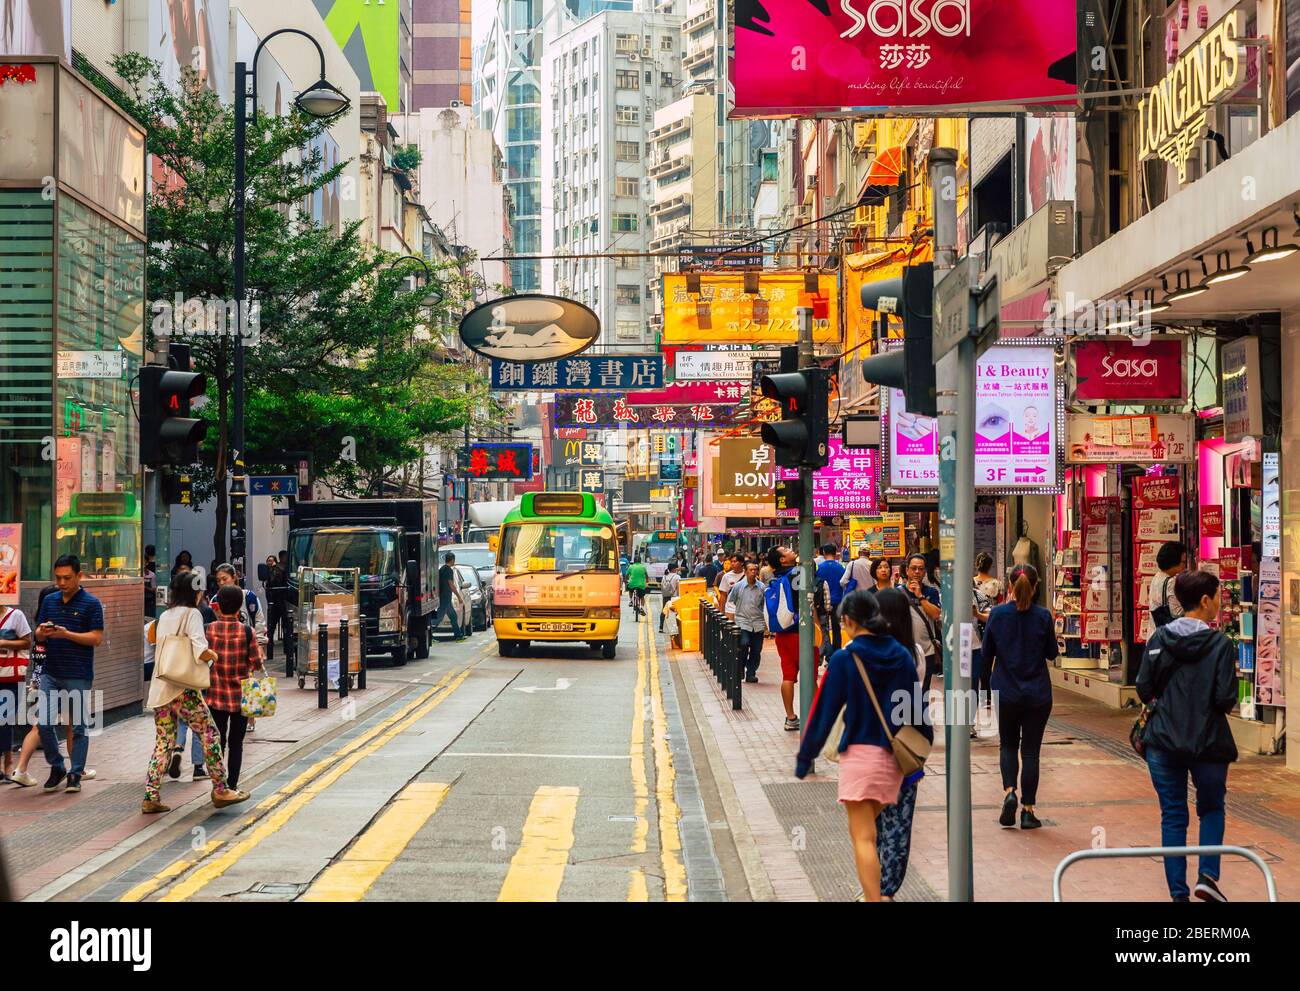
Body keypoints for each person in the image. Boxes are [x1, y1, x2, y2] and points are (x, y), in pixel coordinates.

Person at [796, 590, 920, 902]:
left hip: (860, 759)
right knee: (880, 831)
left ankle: (873, 899)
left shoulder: (845, 659)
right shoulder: (903, 656)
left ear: (849, 621)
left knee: (864, 838)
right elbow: (917, 712)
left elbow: (824, 712)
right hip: (894, 761)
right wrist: (919, 749)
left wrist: (805, 758)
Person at [1136, 569, 1238, 902]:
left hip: (1163, 740)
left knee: (1174, 814)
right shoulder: (1220, 645)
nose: (1221, 602)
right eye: (1219, 596)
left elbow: (1143, 688)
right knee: (1211, 808)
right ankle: (1207, 876)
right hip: (1209, 741)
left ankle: (1178, 894)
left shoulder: (1158, 639)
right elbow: (1225, 699)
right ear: (1205, 601)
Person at [143, 571, 249, 814]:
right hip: (183, 689)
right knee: (210, 733)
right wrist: (213, 656)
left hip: (160, 688)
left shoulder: (165, 615)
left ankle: (151, 795)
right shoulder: (192, 614)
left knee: (164, 742)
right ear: (195, 592)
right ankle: (221, 789)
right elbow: (200, 650)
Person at [980, 563, 1057, 830]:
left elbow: (986, 654)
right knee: (1032, 752)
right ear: (1035, 587)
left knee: (1008, 745)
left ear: (1009, 587)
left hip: (1006, 690)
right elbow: (1051, 653)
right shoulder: (1043, 616)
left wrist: (985, 692)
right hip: (1037, 694)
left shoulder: (997, 615)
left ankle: (1009, 791)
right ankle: (1027, 809)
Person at [872, 587, 933, 900]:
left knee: (874, 822)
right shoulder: (915, 655)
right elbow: (915, 701)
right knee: (899, 824)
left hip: (869, 749)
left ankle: (873, 885)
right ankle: (887, 889)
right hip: (904, 748)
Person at [33, 556, 104, 794]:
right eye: (58, 578)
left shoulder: (91, 604)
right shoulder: (50, 600)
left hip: (77, 673)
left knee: (79, 727)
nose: (61, 582)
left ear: (79, 576)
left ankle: (76, 773)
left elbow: (96, 638)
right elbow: (38, 635)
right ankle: (57, 766)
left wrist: (67, 634)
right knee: (44, 723)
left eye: (67, 578)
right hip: (50, 672)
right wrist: (42, 633)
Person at [204, 585, 263, 791]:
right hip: (240, 697)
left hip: (214, 695)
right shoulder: (247, 631)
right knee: (236, 743)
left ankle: (218, 786)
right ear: (239, 607)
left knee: (217, 741)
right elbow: (256, 662)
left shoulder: (208, 629)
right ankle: (233, 785)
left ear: (218, 605)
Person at [766, 546, 803, 731]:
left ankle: (790, 717)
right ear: (782, 559)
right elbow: (806, 600)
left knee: (788, 676)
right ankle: (812, 716)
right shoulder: (797, 573)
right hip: (800, 632)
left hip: (782, 633)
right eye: (787, 549)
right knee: (809, 675)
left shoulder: (777, 578)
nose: (791, 549)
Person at [898, 554, 942, 694]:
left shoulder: (931, 592)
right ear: (907, 570)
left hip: (926, 651)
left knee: (923, 692)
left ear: (924, 572)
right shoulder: (897, 592)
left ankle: (922, 716)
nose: (917, 572)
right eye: (914, 568)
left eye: (921, 569)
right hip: (903, 651)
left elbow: (936, 614)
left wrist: (920, 596)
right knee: (904, 692)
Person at [0, 602, 32, 783]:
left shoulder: (16, 616)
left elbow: (27, 642)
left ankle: (8, 761)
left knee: (4, 719)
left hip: (10, 676)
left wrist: (4, 642)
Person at [730, 560, 767, 683]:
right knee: (744, 644)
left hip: (758, 623)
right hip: (743, 622)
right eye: (750, 570)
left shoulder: (762, 587)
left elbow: (764, 605)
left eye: (755, 569)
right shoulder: (738, 587)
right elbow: (732, 601)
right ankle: (741, 667)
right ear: (745, 572)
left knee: (756, 650)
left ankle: (751, 672)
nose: (753, 572)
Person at [1146, 540, 1188, 629]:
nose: (1185, 566)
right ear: (1173, 563)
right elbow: (1176, 613)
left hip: (1155, 634)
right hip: (1166, 637)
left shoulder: (1157, 576)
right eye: (1183, 562)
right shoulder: (1170, 582)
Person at [816, 543, 846, 652]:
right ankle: (837, 650)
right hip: (838, 601)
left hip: (823, 602)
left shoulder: (819, 568)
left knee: (824, 628)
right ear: (836, 553)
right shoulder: (841, 568)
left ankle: (827, 651)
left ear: (823, 553)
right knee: (836, 627)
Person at [434, 552, 467, 641]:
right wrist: (459, 596)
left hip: (443, 596)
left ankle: (458, 635)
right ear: (452, 560)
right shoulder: (449, 570)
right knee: (439, 617)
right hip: (445, 597)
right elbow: (451, 584)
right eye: (454, 560)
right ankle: (430, 635)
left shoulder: (441, 569)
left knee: (453, 616)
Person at [658, 562, 681, 632]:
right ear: (674, 569)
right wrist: (679, 596)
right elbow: (678, 587)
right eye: (676, 568)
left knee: (664, 611)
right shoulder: (677, 577)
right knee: (676, 612)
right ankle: (676, 628)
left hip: (665, 596)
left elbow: (662, 586)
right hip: (674, 597)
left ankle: (661, 627)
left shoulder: (664, 576)